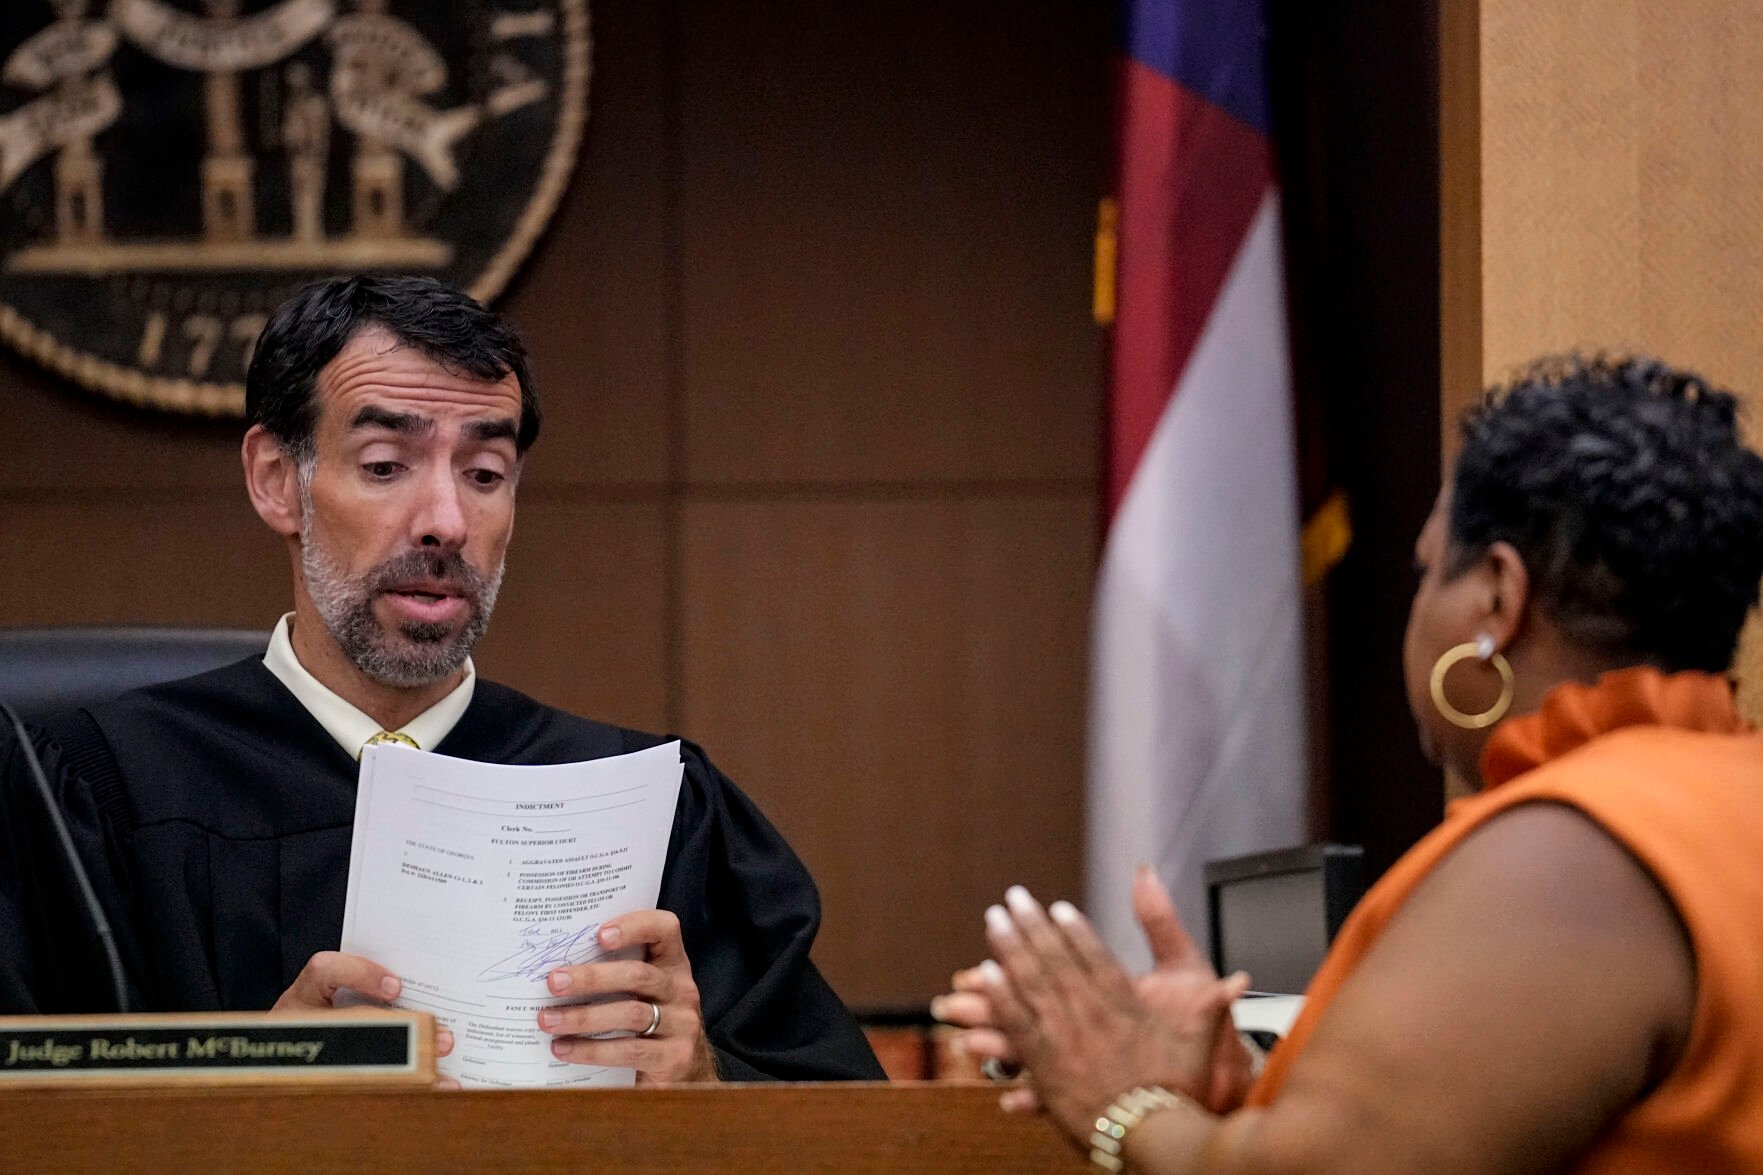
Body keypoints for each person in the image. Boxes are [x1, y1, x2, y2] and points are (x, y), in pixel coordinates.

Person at [0, 274, 883, 1084]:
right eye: (386, 466)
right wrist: (246, 1099)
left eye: (485, 473)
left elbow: (849, 1125)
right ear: (279, 482)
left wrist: (712, 1086)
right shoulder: (91, 791)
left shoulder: (653, 803)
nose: (447, 521)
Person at [936, 354, 1763, 1170]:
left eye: (1426, 569)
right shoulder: (1716, 797)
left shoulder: (1572, 851)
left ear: (1496, 600)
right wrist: (1246, 1096)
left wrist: (1120, 1098)